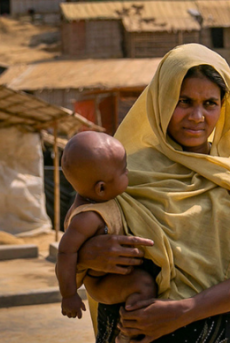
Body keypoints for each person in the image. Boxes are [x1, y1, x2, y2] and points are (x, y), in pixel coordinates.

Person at [75, 44, 230, 343]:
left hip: (211, 332)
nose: (197, 116)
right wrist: (86, 255)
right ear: (162, 100)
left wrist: (187, 309)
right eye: (184, 101)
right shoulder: (122, 172)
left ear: (224, 107)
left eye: (210, 104)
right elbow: (79, 233)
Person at [56, 132, 156, 331]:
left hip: (115, 273)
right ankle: (129, 332)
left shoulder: (102, 198)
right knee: (144, 286)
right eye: (124, 171)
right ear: (101, 188)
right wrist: (68, 295)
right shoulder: (87, 219)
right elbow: (65, 254)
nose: (129, 172)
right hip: (101, 281)